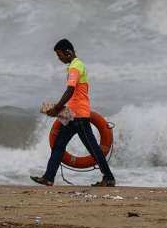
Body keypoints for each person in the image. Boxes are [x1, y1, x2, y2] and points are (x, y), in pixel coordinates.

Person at [31, 39, 116, 187]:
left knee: (93, 148)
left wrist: (57, 108)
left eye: (60, 55)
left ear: (68, 52)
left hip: (80, 117)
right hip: (72, 115)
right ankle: (48, 177)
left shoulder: (76, 67)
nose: (59, 59)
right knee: (58, 145)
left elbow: (70, 90)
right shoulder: (75, 66)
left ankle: (109, 178)